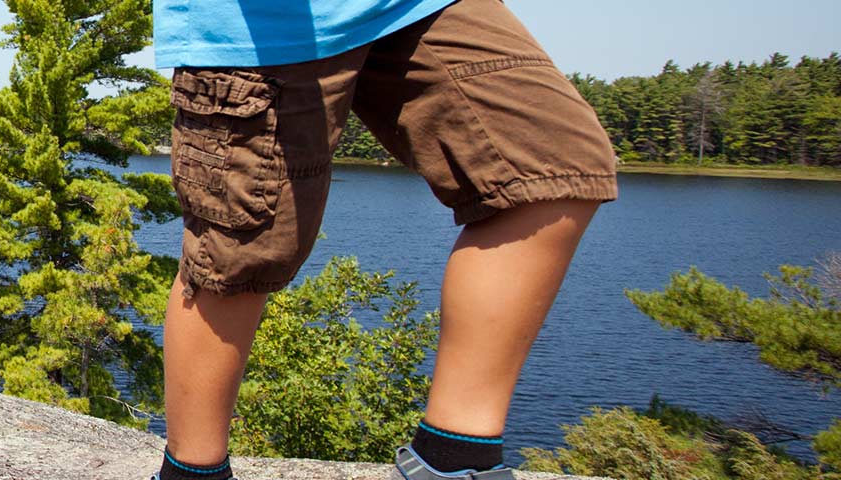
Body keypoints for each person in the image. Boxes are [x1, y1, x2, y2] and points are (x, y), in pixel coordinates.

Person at [151, 0, 617, 478]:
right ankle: (192, 473)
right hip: (271, 21)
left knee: (553, 164)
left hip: (425, 7)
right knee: (239, 251)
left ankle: (451, 461)